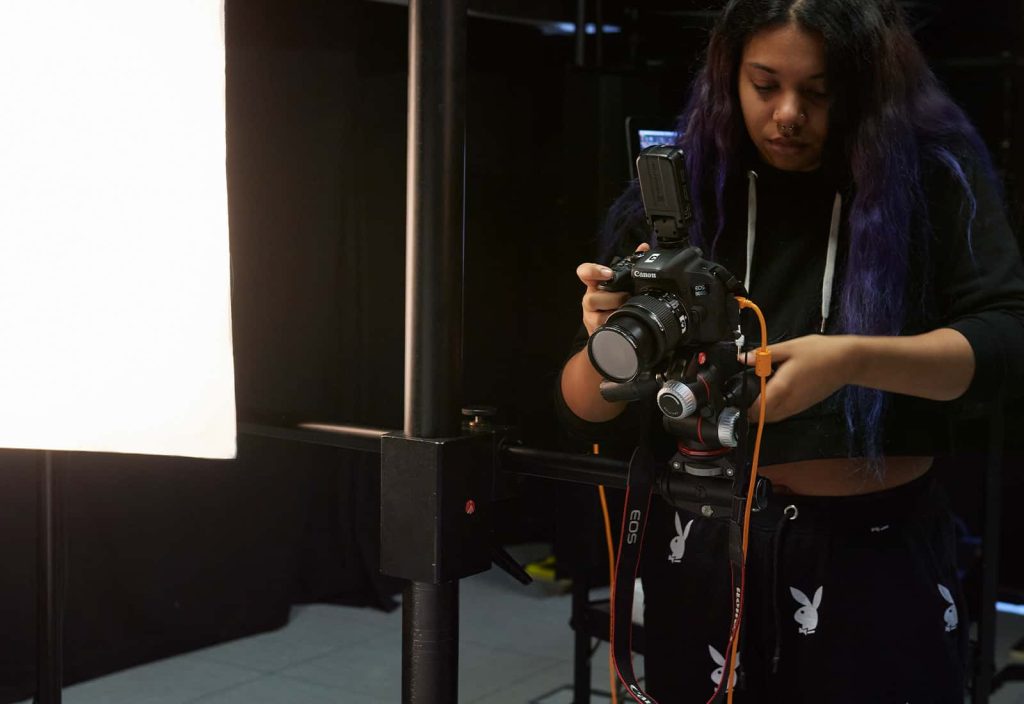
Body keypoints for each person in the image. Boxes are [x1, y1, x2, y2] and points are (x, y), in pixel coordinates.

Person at [555, 0, 1024, 702]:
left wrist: (851, 361)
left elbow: (1007, 340)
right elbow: (582, 406)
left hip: (872, 550)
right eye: (765, 85)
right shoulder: (685, 186)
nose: (787, 115)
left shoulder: (931, 175)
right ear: (729, 76)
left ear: (865, 86)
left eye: (818, 92)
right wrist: (607, 345)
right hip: (702, 544)